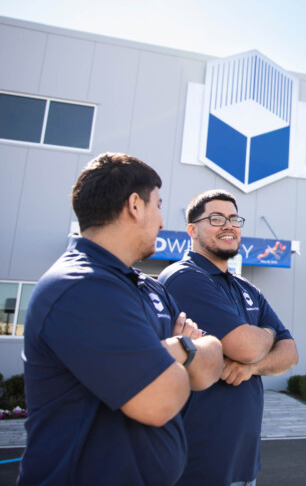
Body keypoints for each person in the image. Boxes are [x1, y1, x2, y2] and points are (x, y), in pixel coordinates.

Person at [19, 153, 224, 486]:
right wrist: (187, 350)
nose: (161, 221)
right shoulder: (81, 287)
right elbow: (161, 401)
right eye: (158, 205)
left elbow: (209, 367)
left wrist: (176, 349)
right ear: (134, 205)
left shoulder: (147, 287)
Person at [159, 189, 299, 486]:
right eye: (216, 218)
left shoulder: (246, 288)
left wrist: (252, 368)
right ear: (191, 230)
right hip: (197, 465)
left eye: (234, 219)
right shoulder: (184, 278)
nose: (229, 225)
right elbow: (248, 347)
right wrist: (269, 333)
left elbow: (290, 353)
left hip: (243, 463)